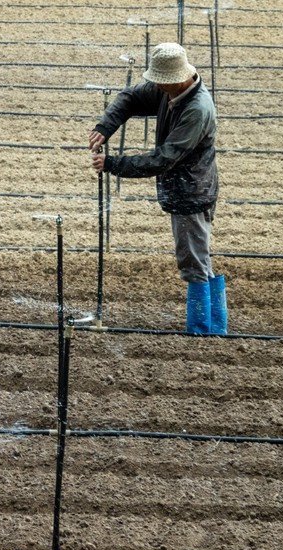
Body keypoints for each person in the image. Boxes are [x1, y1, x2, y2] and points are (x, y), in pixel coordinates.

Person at [88, 42, 226, 335]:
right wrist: (106, 126)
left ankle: (202, 331)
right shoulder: (172, 91)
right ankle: (215, 328)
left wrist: (113, 164)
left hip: (191, 192)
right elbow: (131, 97)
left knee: (192, 261)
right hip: (189, 187)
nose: (157, 87)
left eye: (161, 83)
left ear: (176, 79)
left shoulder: (197, 110)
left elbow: (164, 158)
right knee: (198, 256)